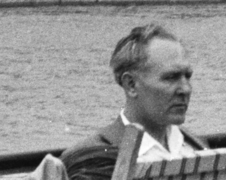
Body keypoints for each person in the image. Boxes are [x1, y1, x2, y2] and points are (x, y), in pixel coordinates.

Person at [60, 24, 207, 180]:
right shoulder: (88, 159)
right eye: (171, 77)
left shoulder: (194, 144)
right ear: (131, 85)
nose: (185, 89)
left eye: (188, 76)